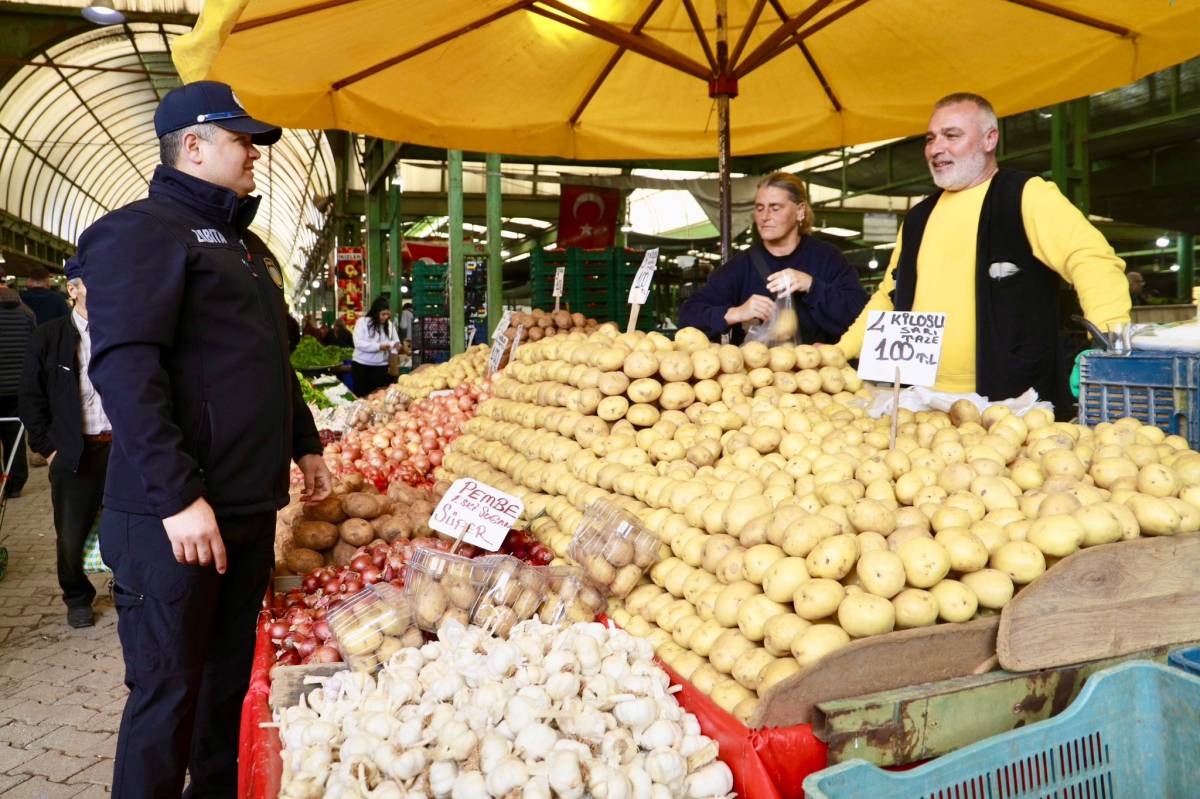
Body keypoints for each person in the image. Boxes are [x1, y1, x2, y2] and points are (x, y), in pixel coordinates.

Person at [74, 80, 332, 797]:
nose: (254, 152)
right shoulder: (140, 233)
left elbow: (265, 360)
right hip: (178, 520)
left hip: (246, 511)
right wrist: (179, 495)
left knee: (224, 689)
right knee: (168, 697)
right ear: (193, 145)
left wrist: (303, 440)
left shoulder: (242, 246)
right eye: (240, 138)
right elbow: (127, 369)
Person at [836, 93, 1130, 417]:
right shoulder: (918, 218)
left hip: (1012, 407)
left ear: (990, 139)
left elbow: (1090, 258)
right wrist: (840, 351)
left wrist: (1109, 345)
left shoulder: (1026, 195)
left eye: (952, 135)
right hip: (922, 402)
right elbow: (889, 297)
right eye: (931, 138)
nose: (936, 149)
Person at [19, 261, 110, 628]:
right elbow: (30, 397)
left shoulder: (120, 333)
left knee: (127, 526)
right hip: (75, 450)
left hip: (121, 447)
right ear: (73, 290)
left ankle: (127, 586)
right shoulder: (49, 336)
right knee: (71, 532)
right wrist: (49, 447)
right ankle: (77, 596)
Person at [678, 172, 867, 344]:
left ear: (800, 210)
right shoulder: (741, 266)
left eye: (775, 208)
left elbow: (861, 316)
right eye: (760, 208)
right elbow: (688, 316)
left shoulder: (828, 258)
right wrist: (735, 313)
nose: (765, 217)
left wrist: (812, 286)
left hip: (820, 373)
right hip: (758, 375)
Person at [0, 268, 35, 499]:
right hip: (18, 385)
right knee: (15, 435)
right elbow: (35, 347)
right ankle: (14, 485)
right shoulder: (25, 311)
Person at [351, 295, 401, 397]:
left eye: (387, 314)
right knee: (362, 396)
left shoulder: (390, 325)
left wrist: (397, 346)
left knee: (379, 397)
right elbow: (358, 343)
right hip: (361, 367)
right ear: (375, 312)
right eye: (383, 314)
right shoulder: (362, 322)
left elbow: (395, 342)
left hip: (381, 368)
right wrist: (378, 347)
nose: (386, 317)